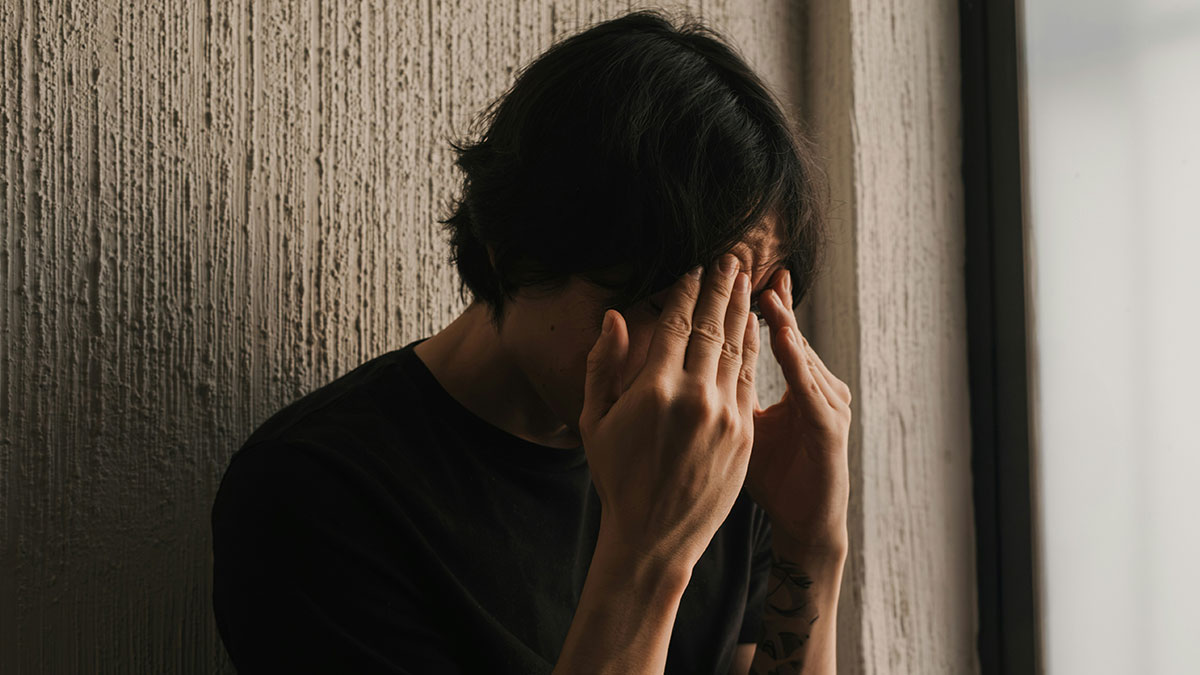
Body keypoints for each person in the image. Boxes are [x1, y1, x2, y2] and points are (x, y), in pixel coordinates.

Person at [211, 9, 850, 674]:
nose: (698, 360)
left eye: (738, 307)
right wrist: (647, 553)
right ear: (516, 247)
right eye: (665, 304)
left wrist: (809, 546)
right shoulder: (318, 495)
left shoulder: (715, 456)